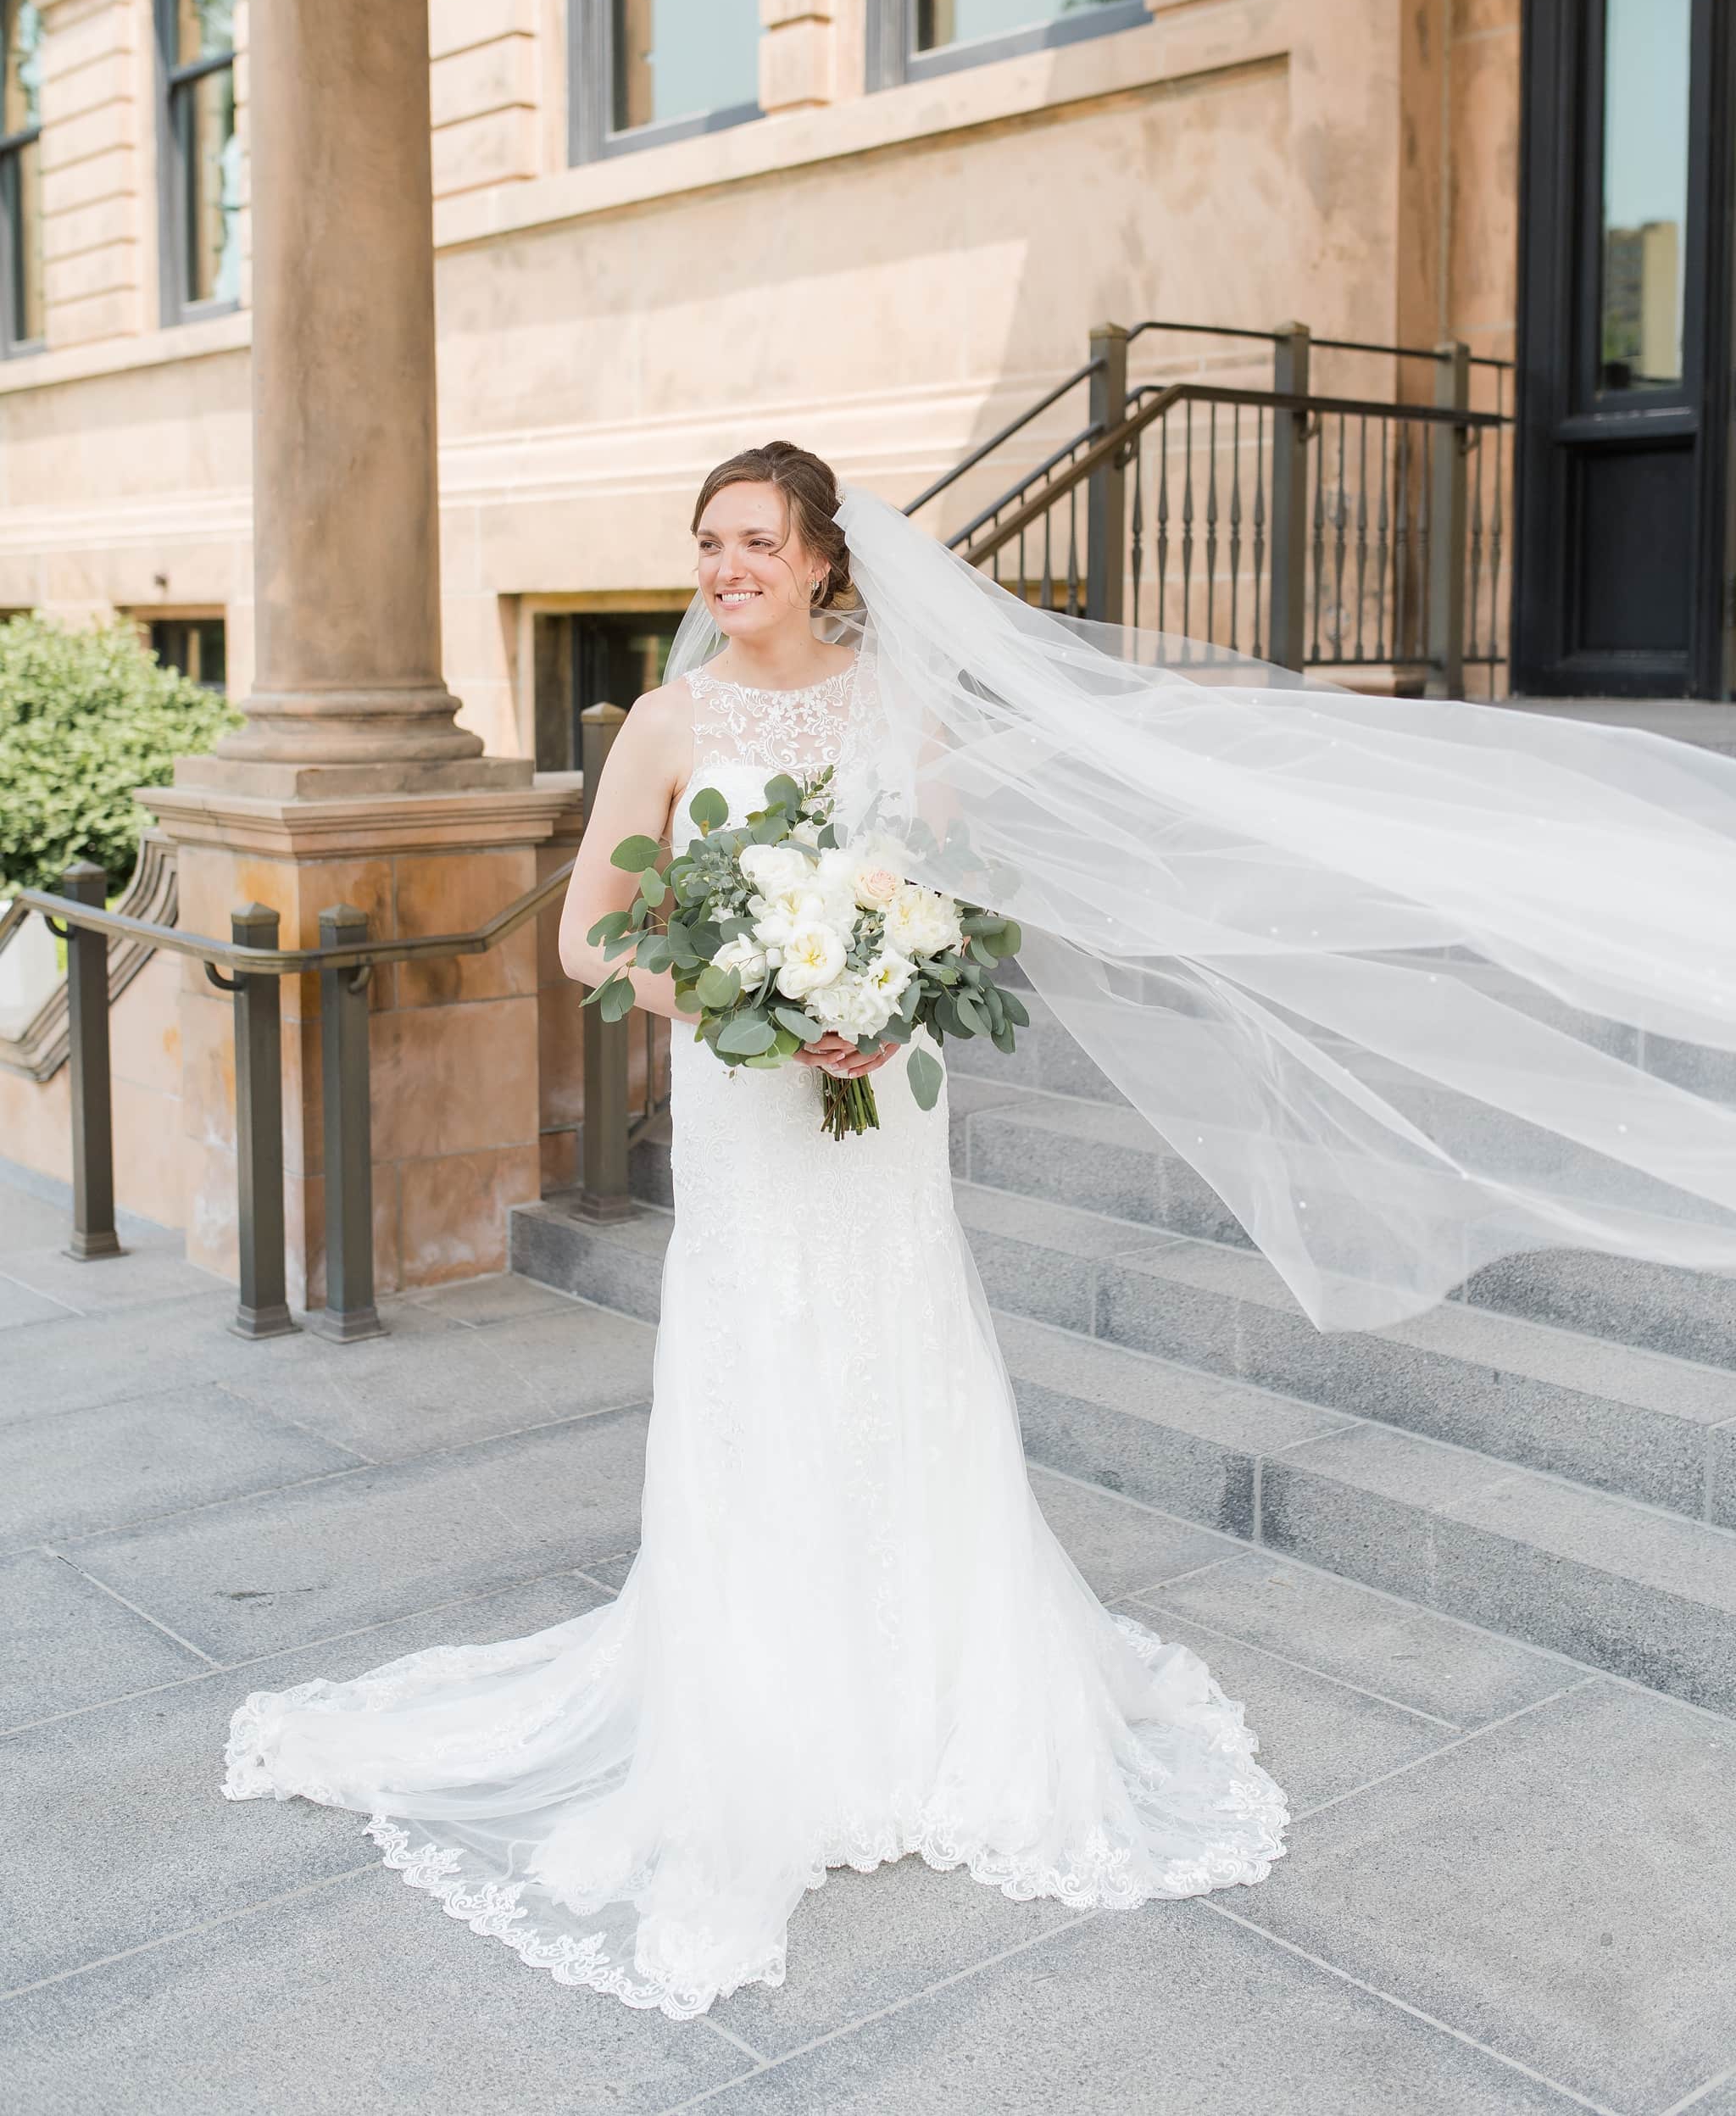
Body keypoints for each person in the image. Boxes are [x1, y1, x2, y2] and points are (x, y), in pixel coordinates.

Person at [226, 439, 1736, 2016]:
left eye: (754, 541)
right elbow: (599, 935)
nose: (724, 569)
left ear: (823, 557)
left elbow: (937, 898)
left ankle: (926, 1693)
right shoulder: (670, 723)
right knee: (759, 1360)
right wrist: (744, 1000)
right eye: (706, 544)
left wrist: (873, 1002)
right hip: (750, 1104)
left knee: (896, 1347)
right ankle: (756, 1713)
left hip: (879, 1102)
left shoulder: (902, 708)